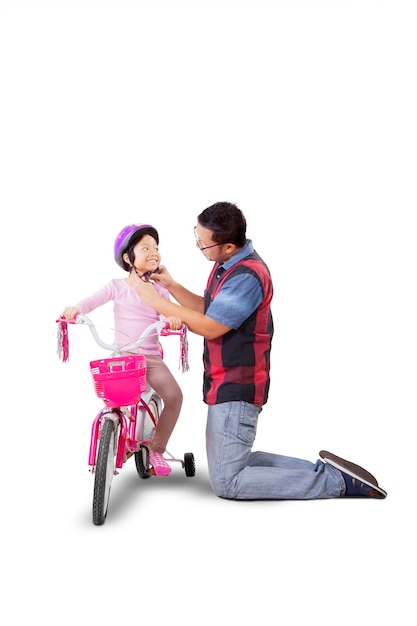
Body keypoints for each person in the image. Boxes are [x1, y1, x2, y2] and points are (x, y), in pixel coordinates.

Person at [130, 202, 387, 499]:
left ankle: (337, 484)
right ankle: (326, 472)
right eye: (196, 237)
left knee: (228, 482)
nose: (198, 245)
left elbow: (212, 327)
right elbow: (209, 309)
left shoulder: (246, 276)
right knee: (233, 464)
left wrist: (153, 299)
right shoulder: (226, 264)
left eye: (203, 243)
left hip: (238, 384)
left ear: (227, 246)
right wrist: (171, 286)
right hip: (222, 379)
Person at [61, 223, 183, 477]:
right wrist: (76, 309)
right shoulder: (116, 286)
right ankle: (114, 437)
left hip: (149, 358)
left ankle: (157, 449)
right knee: (114, 399)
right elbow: (92, 300)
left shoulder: (159, 289)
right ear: (128, 258)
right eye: (145, 248)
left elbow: (168, 313)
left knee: (174, 397)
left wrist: (173, 320)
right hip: (124, 357)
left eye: (156, 248)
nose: (154, 252)